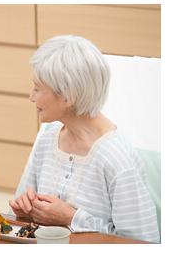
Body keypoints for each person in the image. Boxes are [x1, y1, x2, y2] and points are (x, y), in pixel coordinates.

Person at [9, 35, 160, 243]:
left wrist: (71, 218)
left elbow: (142, 243)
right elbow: (24, 214)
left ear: (67, 96)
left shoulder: (116, 160)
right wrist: (24, 209)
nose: (31, 97)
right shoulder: (47, 137)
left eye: (37, 88)